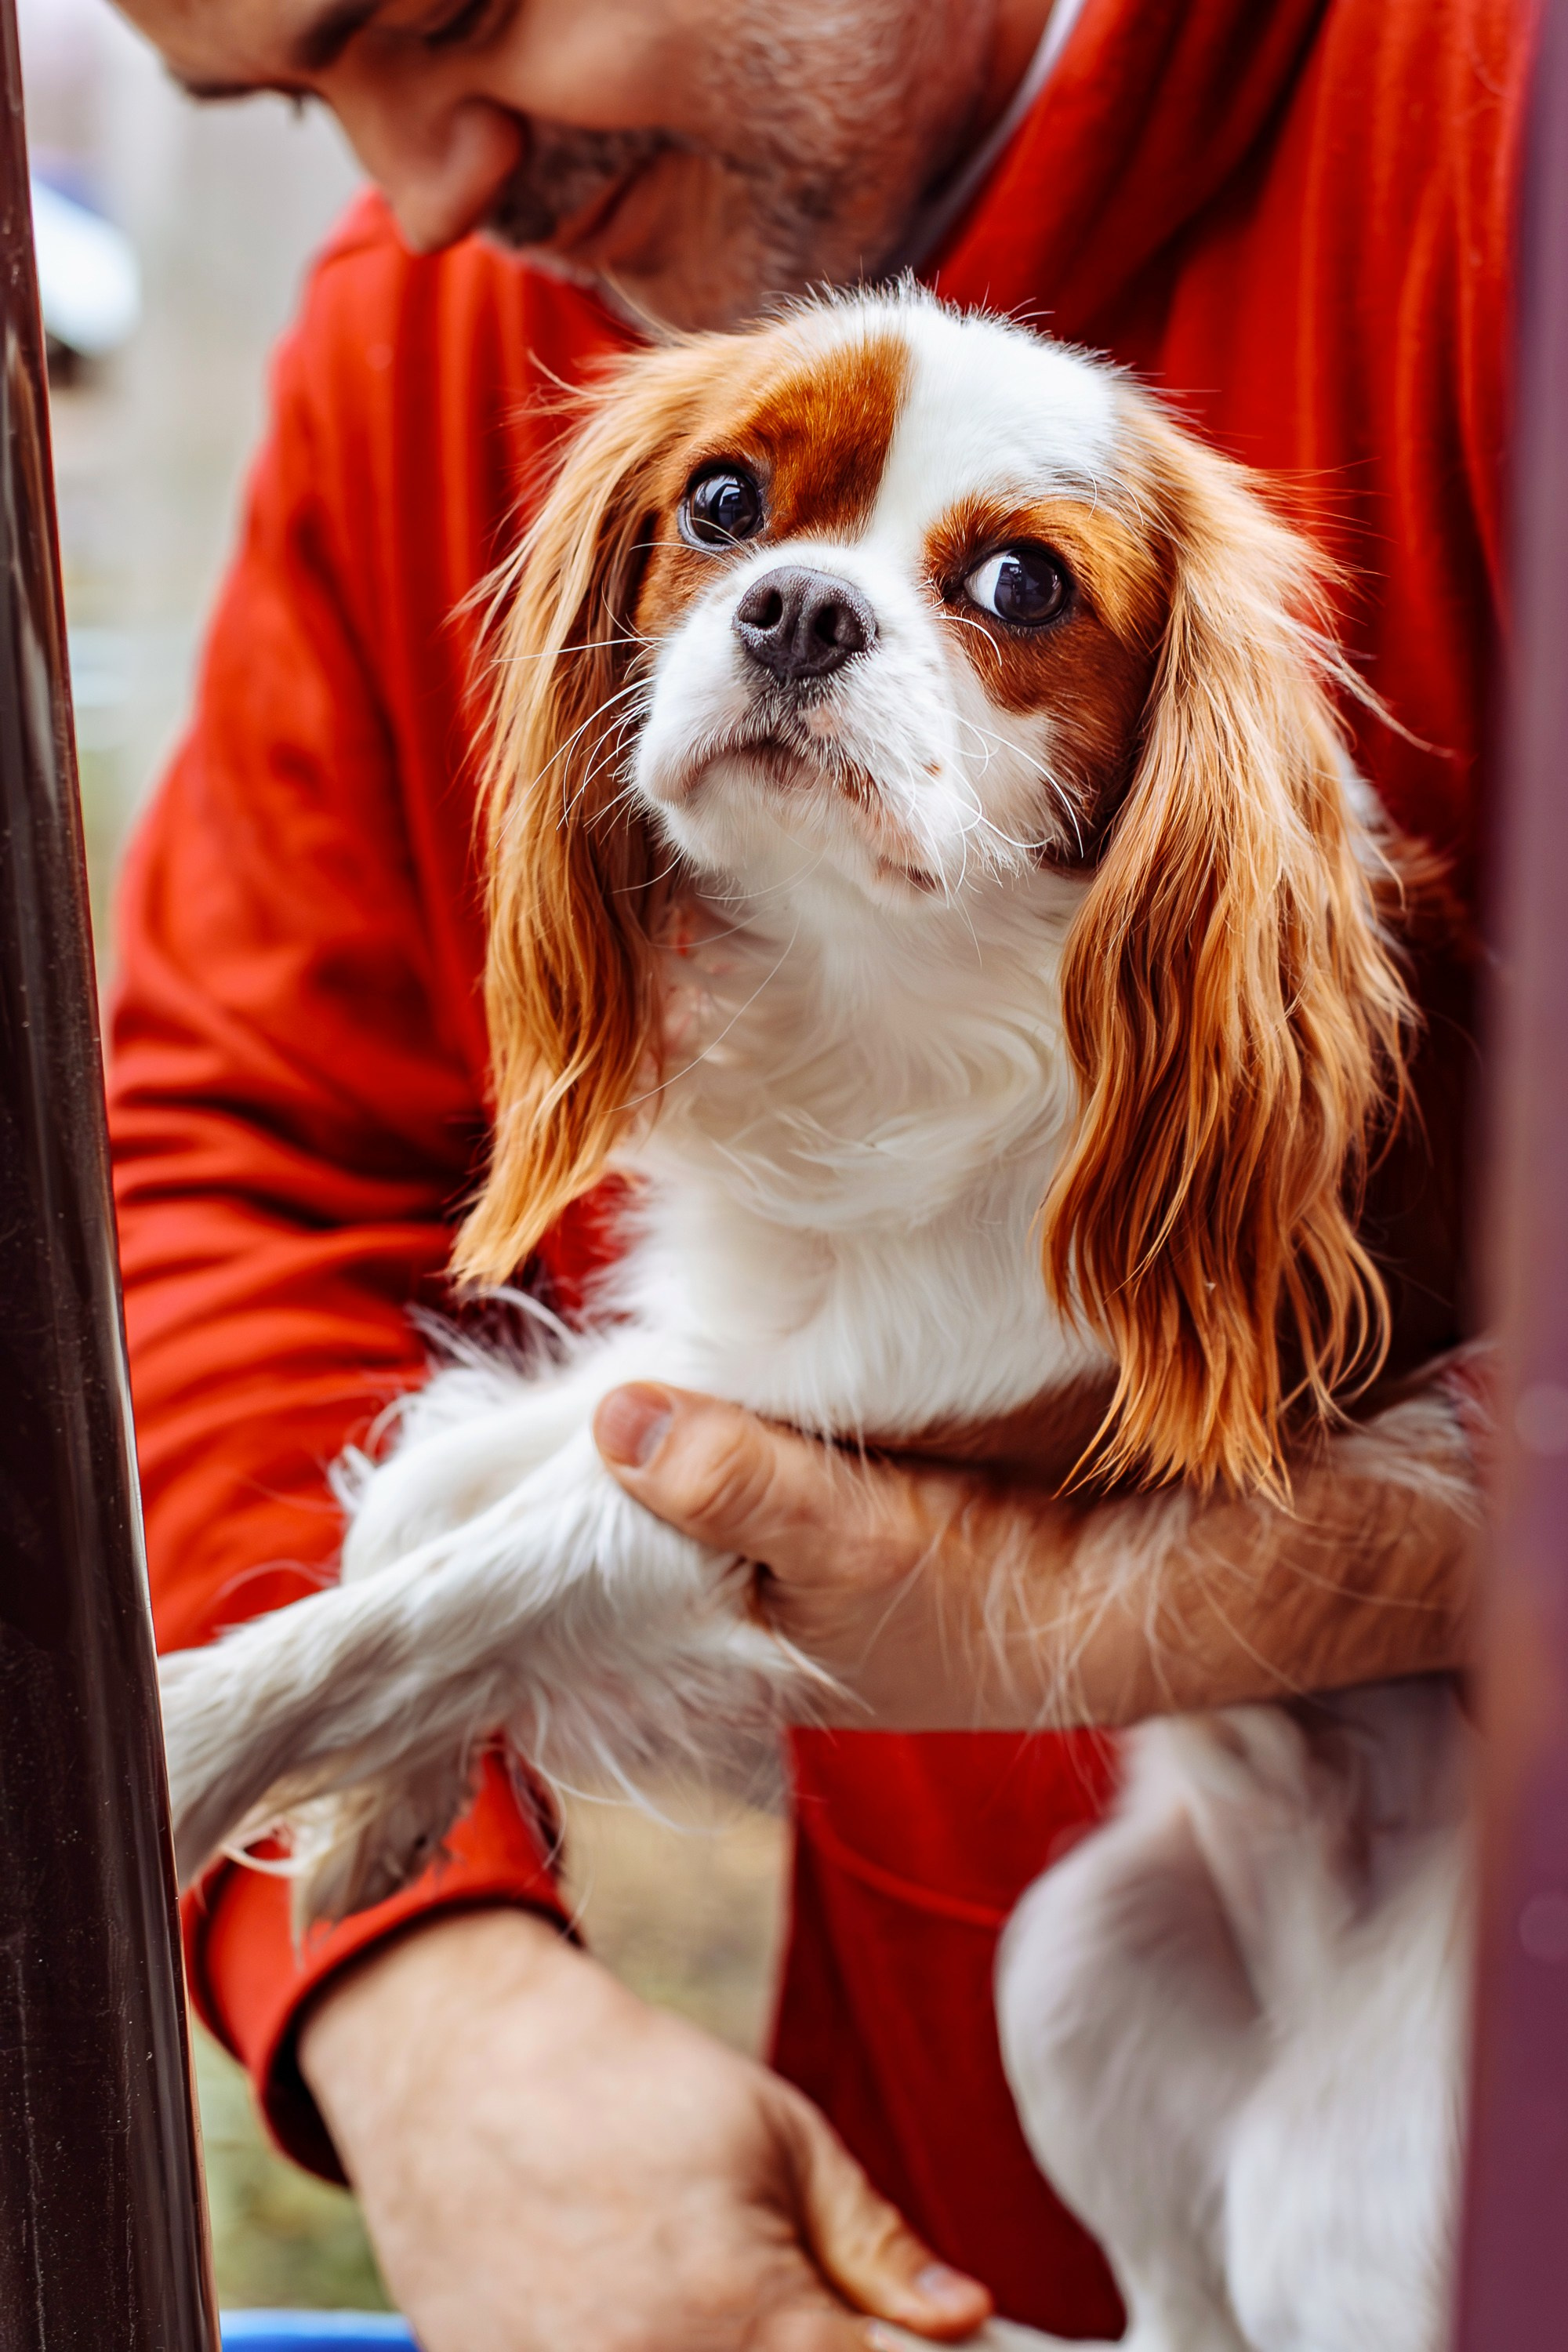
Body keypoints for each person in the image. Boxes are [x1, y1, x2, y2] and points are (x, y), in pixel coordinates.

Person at [104, 0, 1521, 2343]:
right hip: (965, 2176)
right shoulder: (444, 329)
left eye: (450, 14)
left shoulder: (1503, 129)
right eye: (283, 102)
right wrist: (429, 2011)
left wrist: (1372, 1555)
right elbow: (231, 1174)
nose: (424, 187)